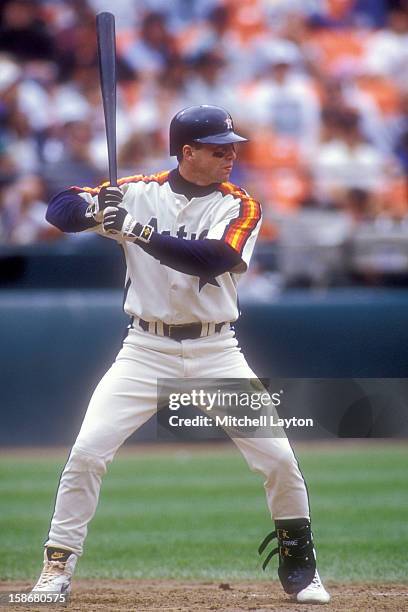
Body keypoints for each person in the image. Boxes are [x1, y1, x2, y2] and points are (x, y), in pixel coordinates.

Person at [32, 105, 330, 605]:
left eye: (232, 147)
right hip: (144, 349)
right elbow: (58, 208)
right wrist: (93, 212)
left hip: (217, 350)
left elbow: (211, 258)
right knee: (87, 452)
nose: (230, 155)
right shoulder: (141, 190)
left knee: (277, 458)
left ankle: (301, 569)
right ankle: (56, 567)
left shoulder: (241, 205)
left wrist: (135, 230)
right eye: (219, 148)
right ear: (187, 152)